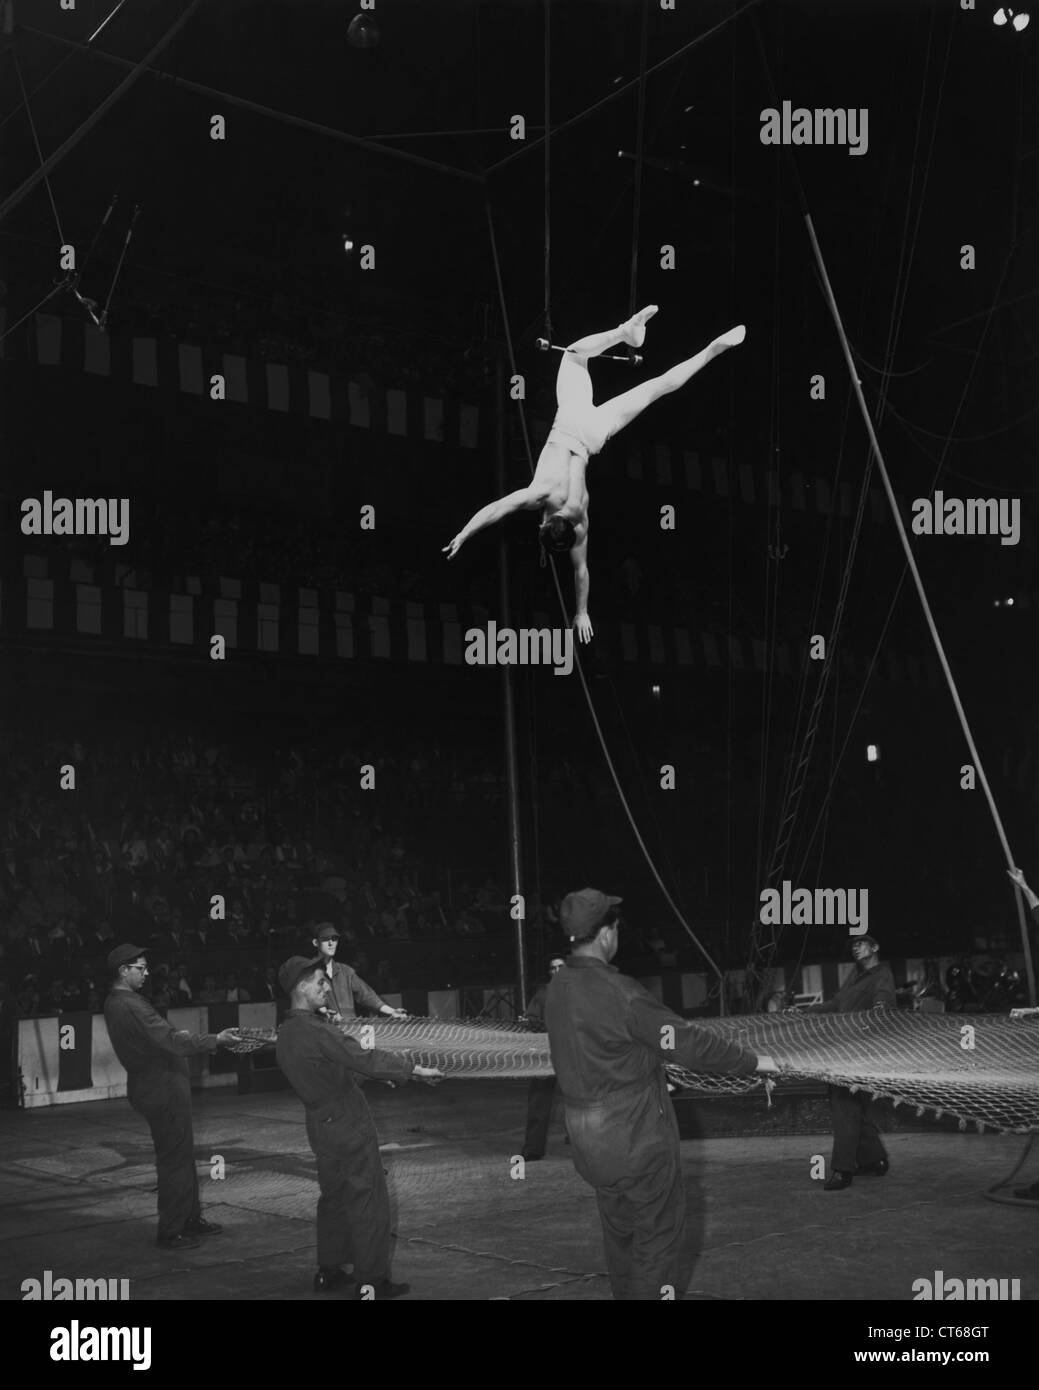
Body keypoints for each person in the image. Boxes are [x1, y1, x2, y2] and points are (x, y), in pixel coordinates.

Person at [443, 307, 746, 642]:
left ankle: (713, 350)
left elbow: (581, 571)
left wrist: (582, 612)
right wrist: (464, 534)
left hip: (594, 437)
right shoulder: (539, 494)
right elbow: (496, 510)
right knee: (573, 355)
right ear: (544, 522)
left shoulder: (579, 525)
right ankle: (624, 332)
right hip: (570, 423)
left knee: (656, 389)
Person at [544, 888, 776, 1300]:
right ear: (605, 934)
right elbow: (684, 1041)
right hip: (633, 1137)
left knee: (620, 1237)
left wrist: (649, 1069)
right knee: (658, 1240)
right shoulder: (621, 992)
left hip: (586, 1141)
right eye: (615, 926)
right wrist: (753, 1062)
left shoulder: (557, 987)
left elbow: (596, 1048)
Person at [274, 955, 443, 1296]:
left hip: (319, 1123)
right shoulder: (317, 1030)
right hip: (347, 1121)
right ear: (301, 987)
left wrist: (376, 1077)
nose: (327, 988)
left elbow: (332, 1071)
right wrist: (413, 1070)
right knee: (368, 1199)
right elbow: (363, 1056)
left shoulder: (287, 1033)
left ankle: (329, 1270)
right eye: (321, 982)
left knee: (333, 1197)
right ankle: (371, 1281)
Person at [102, 943, 240, 1249]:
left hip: (151, 1084)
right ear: (124, 971)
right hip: (162, 1087)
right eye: (141, 968)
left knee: (180, 1155)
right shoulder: (132, 1005)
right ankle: (172, 1229)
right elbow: (171, 1040)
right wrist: (215, 1039)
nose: (147, 973)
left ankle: (189, 1218)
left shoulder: (114, 1002)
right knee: (174, 1160)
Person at [801, 934, 895, 1191]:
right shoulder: (854, 977)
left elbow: (884, 999)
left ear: (875, 947)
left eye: (861, 943)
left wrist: (880, 1008)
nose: (855, 947)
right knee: (848, 1104)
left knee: (843, 1104)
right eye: (853, 945)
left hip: (861, 1051)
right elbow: (836, 1004)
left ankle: (843, 1169)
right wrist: (803, 1012)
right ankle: (875, 1160)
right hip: (844, 1050)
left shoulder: (881, 974)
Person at [311, 923, 407, 1024]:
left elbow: (366, 995)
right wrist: (324, 1011)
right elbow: (307, 1001)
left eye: (334, 939)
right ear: (316, 942)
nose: (331, 943)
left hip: (350, 1031)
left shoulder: (346, 972)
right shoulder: (308, 972)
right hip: (324, 1032)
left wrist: (392, 1011)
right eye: (326, 939)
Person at [520, 957, 566, 1161]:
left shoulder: (581, 992)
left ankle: (584, 1142)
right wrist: (531, 1024)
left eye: (560, 967)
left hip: (573, 1056)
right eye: (552, 968)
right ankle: (533, 1149)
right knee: (539, 1102)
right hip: (546, 1055)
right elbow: (531, 1020)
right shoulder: (543, 994)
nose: (556, 971)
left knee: (581, 1101)